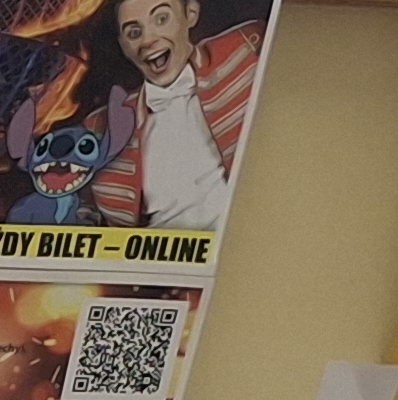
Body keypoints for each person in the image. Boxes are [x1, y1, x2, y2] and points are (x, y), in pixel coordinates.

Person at [84, 0, 264, 230]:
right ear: (123, 45)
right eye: (134, 33)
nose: (148, 40)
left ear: (190, 14)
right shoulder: (102, 127)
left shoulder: (245, 47)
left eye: (161, 19)